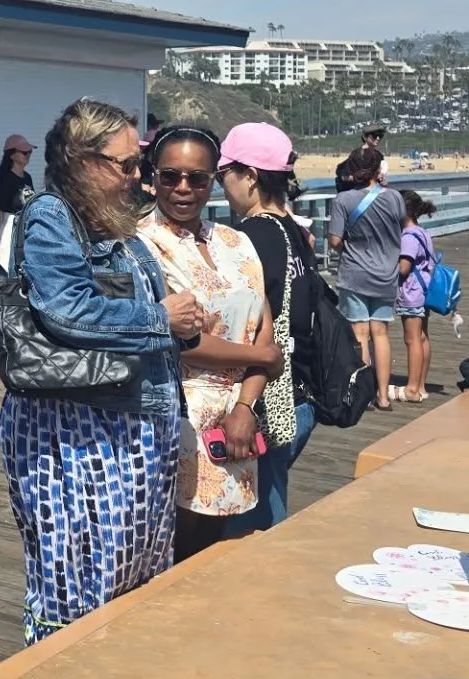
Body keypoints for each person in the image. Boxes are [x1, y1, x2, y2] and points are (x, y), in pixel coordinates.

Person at [0, 99, 202, 644]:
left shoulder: (115, 225)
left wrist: (184, 321)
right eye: (126, 164)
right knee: (78, 583)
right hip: (77, 429)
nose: (138, 177)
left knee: (132, 572)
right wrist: (163, 316)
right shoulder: (51, 216)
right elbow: (69, 309)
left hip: (132, 424)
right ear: (83, 161)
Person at [139, 125, 282, 561]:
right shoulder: (140, 244)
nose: (184, 188)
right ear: (153, 177)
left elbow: (265, 328)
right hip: (177, 417)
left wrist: (245, 408)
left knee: (212, 547)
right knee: (173, 550)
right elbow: (179, 341)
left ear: (213, 180)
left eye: (197, 178)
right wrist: (260, 357)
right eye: (171, 176)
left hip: (236, 418)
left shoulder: (236, 241)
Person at [216, 124, 318, 532]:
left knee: (245, 530)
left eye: (225, 172)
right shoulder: (297, 231)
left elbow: (244, 322)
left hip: (262, 402)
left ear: (251, 176)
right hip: (299, 397)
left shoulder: (247, 237)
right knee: (272, 512)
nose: (221, 183)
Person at [328, 145, 405, 412]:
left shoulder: (343, 201)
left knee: (360, 335)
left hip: (355, 273)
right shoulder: (395, 197)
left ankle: (365, 395)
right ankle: (384, 396)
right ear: (378, 169)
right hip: (386, 274)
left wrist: (351, 246)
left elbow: (335, 240)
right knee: (380, 333)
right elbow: (398, 229)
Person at [394, 190, 439, 403]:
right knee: (422, 337)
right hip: (424, 290)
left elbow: (404, 268)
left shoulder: (408, 236)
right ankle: (421, 386)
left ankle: (412, 387)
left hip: (411, 292)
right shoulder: (422, 232)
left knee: (411, 340)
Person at [0, 134, 35, 251]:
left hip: (26, 236)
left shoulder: (28, 178)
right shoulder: (7, 180)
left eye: (29, 152)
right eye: (24, 152)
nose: (28, 155)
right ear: (12, 155)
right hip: (10, 238)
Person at [335, 125, 385, 191]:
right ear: (365, 137)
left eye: (380, 136)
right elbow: (344, 175)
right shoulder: (356, 154)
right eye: (375, 135)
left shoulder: (379, 155)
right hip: (359, 192)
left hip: (372, 191)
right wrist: (361, 178)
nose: (378, 138)